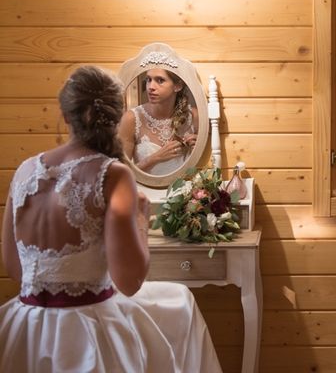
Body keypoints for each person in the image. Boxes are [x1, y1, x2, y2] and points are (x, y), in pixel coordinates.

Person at [0, 66, 222, 372]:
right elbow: (129, 283)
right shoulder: (113, 174)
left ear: (66, 115)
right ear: (115, 117)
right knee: (178, 303)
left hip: (27, 327)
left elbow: (14, 268)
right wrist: (141, 221)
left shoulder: (25, 170)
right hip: (85, 329)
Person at [119, 68, 198, 175]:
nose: (150, 87)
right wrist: (155, 158)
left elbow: (204, 167)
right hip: (144, 191)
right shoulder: (131, 118)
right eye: (148, 80)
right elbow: (121, 174)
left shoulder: (194, 116)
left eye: (160, 80)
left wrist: (196, 148)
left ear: (178, 86)